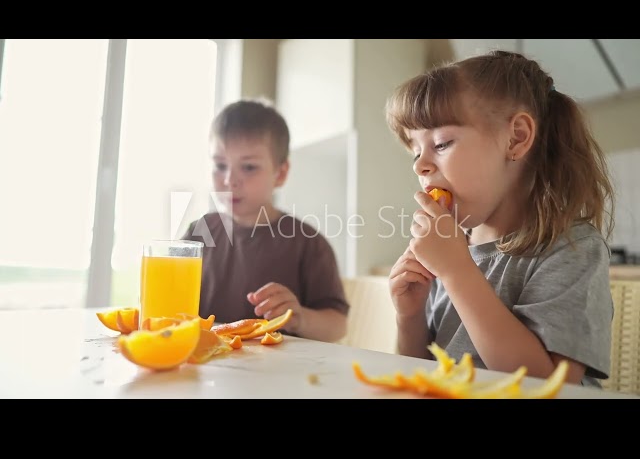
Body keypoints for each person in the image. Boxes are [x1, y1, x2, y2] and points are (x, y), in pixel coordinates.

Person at [385, 50, 615, 387]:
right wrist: (409, 316)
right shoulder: (451, 246)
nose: (420, 165)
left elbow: (550, 384)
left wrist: (457, 271)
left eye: (441, 143)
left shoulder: (572, 249)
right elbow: (423, 373)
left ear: (516, 138)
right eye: (415, 151)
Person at [182, 98, 348, 342]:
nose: (229, 180)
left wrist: (299, 317)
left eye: (248, 167)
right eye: (220, 165)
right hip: (205, 366)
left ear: (280, 174)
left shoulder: (307, 243)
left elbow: (338, 326)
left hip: (276, 372)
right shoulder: (199, 232)